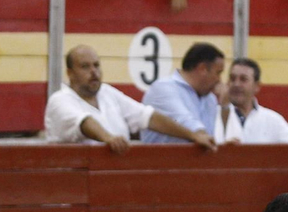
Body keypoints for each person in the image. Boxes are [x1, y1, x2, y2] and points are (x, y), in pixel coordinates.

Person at [44, 44, 217, 150]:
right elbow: (84, 121)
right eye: (85, 67)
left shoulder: (107, 92)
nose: (94, 72)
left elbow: (147, 116)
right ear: (70, 73)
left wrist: (192, 136)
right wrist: (108, 138)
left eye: (96, 65)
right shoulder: (60, 99)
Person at [214, 57, 288, 144]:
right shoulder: (213, 115)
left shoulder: (273, 120)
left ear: (257, 86)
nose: (236, 84)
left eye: (243, 79)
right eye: (232, 78)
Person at [141, 42, 225, 144]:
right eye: (218, 73)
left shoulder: (210, 99)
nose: (219, 80)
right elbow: (187, 124)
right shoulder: (162, 88)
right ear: (202, 69)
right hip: (160, 159)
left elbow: (206, 140)